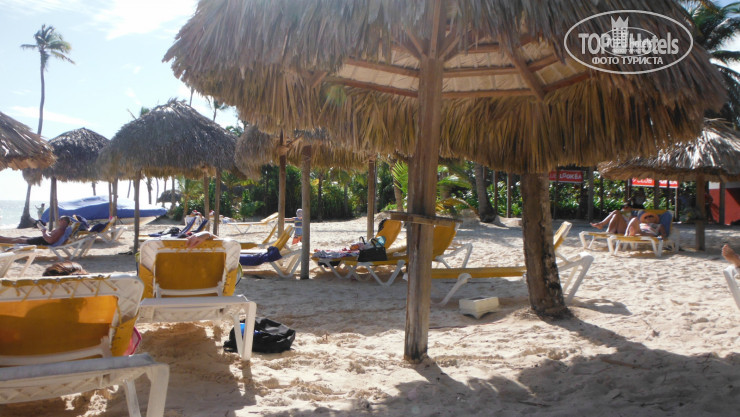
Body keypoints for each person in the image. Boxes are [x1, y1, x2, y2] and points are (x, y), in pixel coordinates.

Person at [0, 215, 71, 246]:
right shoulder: (61, 229)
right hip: (42, 240)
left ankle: (1, 239)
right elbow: (52, 237)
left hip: (43, 241)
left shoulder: (61, 230)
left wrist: (44, 232)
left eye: (60, 219)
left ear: (64, 221)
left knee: (19, 240)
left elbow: (50, 241)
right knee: (22, 237)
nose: (59, 220)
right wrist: (46, 232)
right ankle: (2, 238)